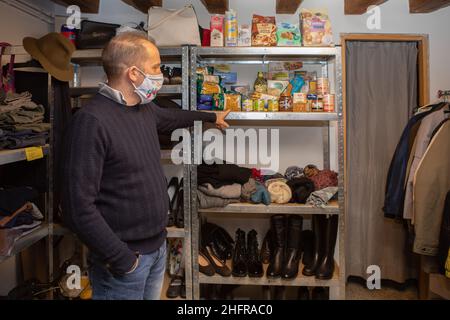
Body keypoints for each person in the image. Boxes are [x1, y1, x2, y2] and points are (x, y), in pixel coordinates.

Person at [62, 32, 229, 300]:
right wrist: (123, 260)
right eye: (155, 68)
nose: (160, 74)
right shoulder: (91, 121)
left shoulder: (143, 109)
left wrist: (211, 116)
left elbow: (172, 117)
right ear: (134, 74)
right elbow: (77, 208)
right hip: (126, 263)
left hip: (156, 249)